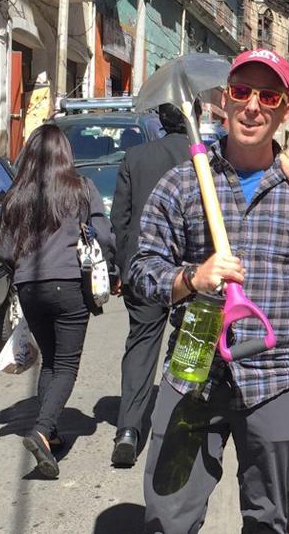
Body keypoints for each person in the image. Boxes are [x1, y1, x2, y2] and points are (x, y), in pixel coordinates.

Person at [128, 48, 289, 533]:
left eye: (268, 95)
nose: (253, 105)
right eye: (241, 91)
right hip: (192, 367)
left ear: (285, 109)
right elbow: (142, 274)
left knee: (268, 519)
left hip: (276, 374)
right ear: (222, 100)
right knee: (167, 518)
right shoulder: (184, 182)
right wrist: (192, 278)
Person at [0, 124, 116, 479]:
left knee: (50, 361)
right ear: (66, 153)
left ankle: (50, 435)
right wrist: (110, 263)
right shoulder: (81, 188)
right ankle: (41, 429)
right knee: (66, 366)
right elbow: (105, 235)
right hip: (69, 286)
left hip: (29, 288)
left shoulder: (16, 195)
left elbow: (2, 247)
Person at [109, 102, 194, 467]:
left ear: (160, 122)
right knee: (192, 347)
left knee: (142, 345)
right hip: (191, 272)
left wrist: (122, 267)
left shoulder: (136, 156)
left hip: (143, 267)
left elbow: (120, 218)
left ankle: (128, 429)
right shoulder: (200, 158)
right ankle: (182, 425)